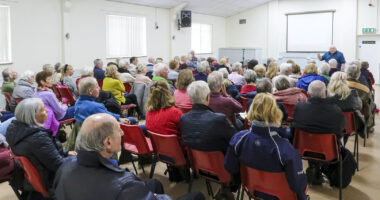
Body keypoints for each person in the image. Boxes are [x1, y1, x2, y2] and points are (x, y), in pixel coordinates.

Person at [54, 113, 204, 200]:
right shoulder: (125, 185)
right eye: (119, 131)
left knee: (154, 183)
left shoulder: (65, 165)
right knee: (196, 196)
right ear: (107, 142)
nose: (123, 133)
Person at [224, 93, 308, 200]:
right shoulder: (286, 149)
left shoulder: (238, 139)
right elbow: (298, 185)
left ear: (251, 111)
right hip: (281, 195)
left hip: (251, 189)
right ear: (276, 113)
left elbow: (230, 166)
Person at [6, 98, 76, 194]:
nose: (47, 110)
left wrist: (66, 152)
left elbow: (45, 152)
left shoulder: (16, 131)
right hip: (50, 179)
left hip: (37, 175)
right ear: (33, 116)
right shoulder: (37, 138)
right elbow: (58, 165)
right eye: (43, 110)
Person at [66, 77, 134, 151]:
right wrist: (119, 118)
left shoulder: (78, 102)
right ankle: (126, 153)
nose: (99, 88)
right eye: (97, 86)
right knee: (131, 120)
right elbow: (109, 117)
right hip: (98, 134)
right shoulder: (96, 107)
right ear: (90, 91)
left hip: (84, 133)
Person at [180, 81, 236, 152]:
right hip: (222, 161)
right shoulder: (219, 119)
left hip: (195, 162)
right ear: (208, 97)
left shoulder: (183, 118)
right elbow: (235, 139)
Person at [34, 70, 75, 135]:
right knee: (78, 108)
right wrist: (65, 106)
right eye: (49, 79)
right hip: (58, 117)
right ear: (42, 82)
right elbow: (59, 111)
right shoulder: (49, 94)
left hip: (45, 118)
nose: (51, 81)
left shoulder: (36, 93)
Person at [346, 63, 375, 130]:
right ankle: (369, 126)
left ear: (347, 74)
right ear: (358, 75)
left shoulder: (340, 87)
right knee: (371, 105)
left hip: (341, 120)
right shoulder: (365, 89)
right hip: (359, 121)